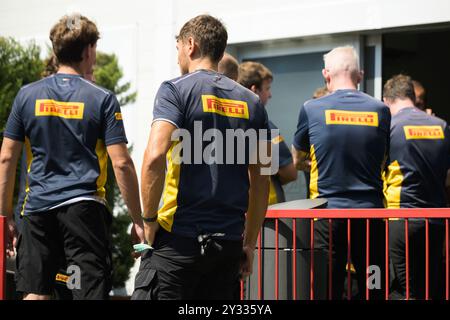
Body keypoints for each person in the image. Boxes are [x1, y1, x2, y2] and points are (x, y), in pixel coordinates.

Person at [0, 14, 144, 300]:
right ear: (89, 50)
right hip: (83, 213)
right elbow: (121, 162)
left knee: (36, 293)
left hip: (37, 211)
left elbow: (6, 158)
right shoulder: (102, 98)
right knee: (85, 292)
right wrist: (138, 219)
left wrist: (4, 216)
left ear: (56, 50)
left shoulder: (26, 96)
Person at [134, 14, 270, 300]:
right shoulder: (253, 103)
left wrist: (148, 220)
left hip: (178, 242)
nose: (177, 57)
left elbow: (155, 156)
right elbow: (262, 179)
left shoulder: (175, 90)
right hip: (229, 245)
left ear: (191, 45)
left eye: (178, 48)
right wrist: (249, 243)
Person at [291, 46, 391, 299]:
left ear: (326, 74)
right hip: (370, 218)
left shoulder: (311, 108)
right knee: (374, 286)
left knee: (328, 288)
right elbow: (385, 158)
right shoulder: (380, 110)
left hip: (328, 218)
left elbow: (296, 157)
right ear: (360, 75)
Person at [383, 74, 449, 300]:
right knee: (429, 287)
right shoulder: (441, 125)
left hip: (402, 218)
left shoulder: (390, 126)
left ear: (386, 100)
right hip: (436, 220)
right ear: (412, 96)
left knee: (402, 289)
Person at [238, 61, 297, 205]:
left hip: (234, 211)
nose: (270, 95)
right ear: (254, 90)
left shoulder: (224, 123)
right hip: (266, 211)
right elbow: (290, 172)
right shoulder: (266, 127)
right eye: (267, 88)